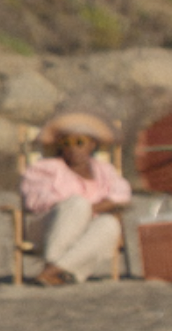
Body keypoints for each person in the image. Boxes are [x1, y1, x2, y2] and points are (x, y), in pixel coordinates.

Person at [19, 111, 133, 284]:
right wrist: (89, 208)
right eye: (66, 143)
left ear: (92, 145)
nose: (72, 148)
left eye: (79, 142)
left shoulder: (104, 171)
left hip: (84, 233)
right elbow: (35, 201)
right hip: (47, 228)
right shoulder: (46, 168)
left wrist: (87, 209)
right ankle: (56, 266)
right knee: (77, 204)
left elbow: (122, 195)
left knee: (110, 225)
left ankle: (53, 271)